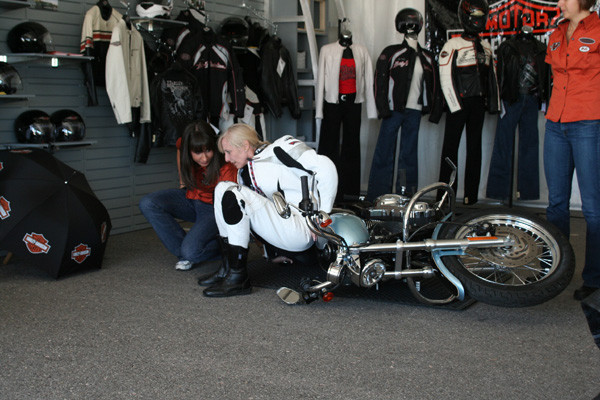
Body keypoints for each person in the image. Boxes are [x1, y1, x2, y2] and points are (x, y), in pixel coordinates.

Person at [199, 123, 338, 297]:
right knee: (222, 188)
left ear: (245, 145)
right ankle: (228, 270)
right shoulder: (244, 173)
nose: (227, 159)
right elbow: (259, 216)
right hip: (285, 231)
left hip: (304, 228)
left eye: (228, 151)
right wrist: (270, 253)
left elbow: (326, 167)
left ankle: (238, 279)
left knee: (233, 193)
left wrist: (323, 216)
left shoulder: (281, 147)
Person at [544, 0, 600, 301]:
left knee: (593, 208)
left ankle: (594, 277)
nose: (560, 2)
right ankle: (554, 271)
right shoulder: (557, 32)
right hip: (555, 123)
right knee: (556, 204)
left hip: (589, 123)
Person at [139, 120, 237, 271]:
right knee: (148, 203)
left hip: (213, 208)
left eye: (208, 150)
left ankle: (228, 246)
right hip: (191, 197)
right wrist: (182, 181)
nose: (204, 158)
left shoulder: (226, 163)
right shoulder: (184, 144)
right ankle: (185, 254)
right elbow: (179, 147)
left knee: (192, 251)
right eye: (198, 152)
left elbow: (228, 202)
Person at [367, 8, 443, 201]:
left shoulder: (427, 57)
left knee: (409, 154)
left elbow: (435, 85)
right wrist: (382, 108)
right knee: (384, 151)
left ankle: (405, 194)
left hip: (415, 111)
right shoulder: (392, 53)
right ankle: (377, 195)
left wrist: (434, 111)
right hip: (393, 109)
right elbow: (379, 81)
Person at [437, 0, 500, 205]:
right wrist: (455, 105)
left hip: (477, 105)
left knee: (475, 150)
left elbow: (492, 78)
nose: (476, 21)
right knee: (450, 150)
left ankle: (470, 198)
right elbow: (445, 76)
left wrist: (493, 104)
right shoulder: (452, 45)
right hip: (459, 104)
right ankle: (446, 198)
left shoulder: (486, 46)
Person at [316, 29, 376, 201]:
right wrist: (319, 110)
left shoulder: (361, 51)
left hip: (353, 102)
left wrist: (371, 109)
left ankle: (350, 193)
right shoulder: (327, 50)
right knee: (328, 146)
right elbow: (321, 80)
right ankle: (325, 188)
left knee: (352, 146)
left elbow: (368, 79)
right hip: (332, 103)